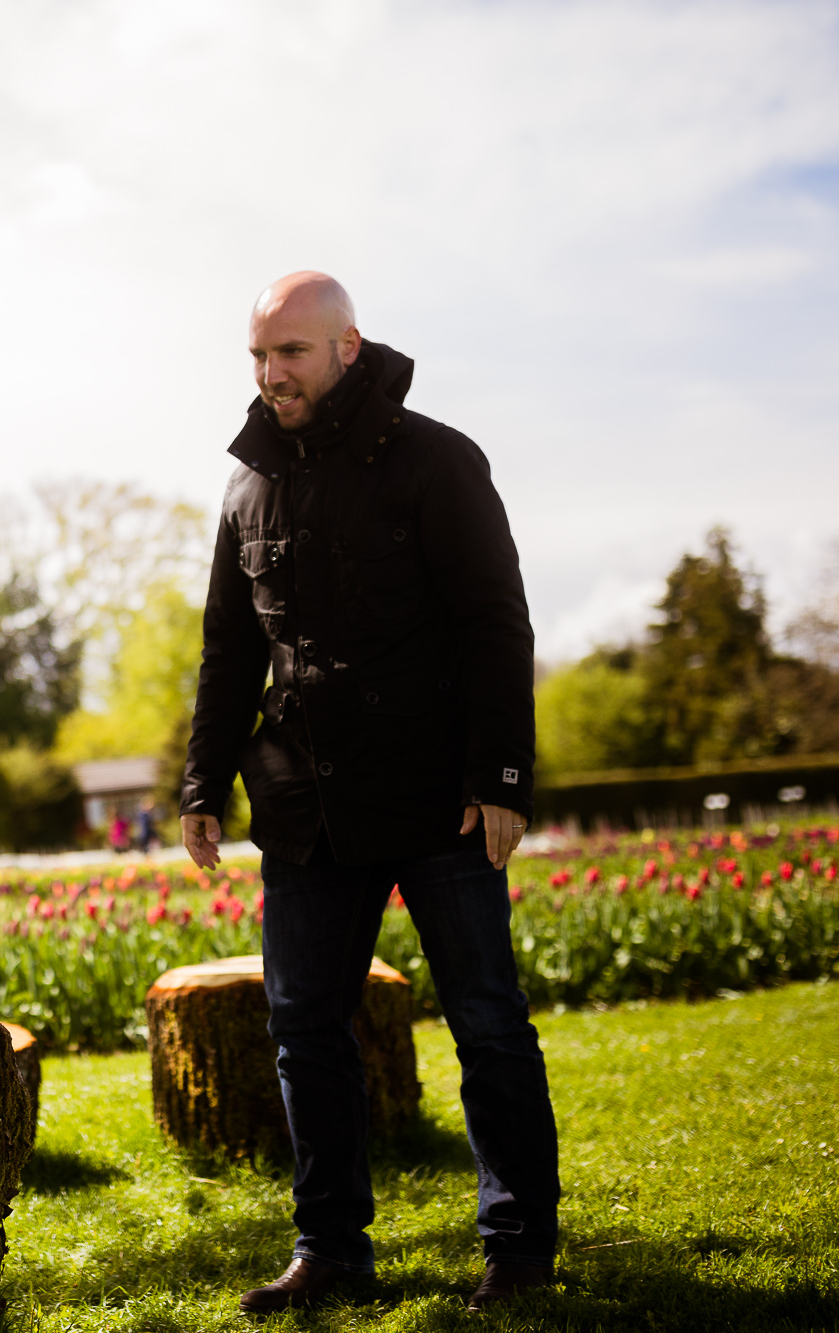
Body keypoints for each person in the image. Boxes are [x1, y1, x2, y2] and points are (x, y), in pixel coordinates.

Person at [178, 274, 559, 1316]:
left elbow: (495, 623)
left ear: (347, 344)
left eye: (289, 354)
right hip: (306, 810)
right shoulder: (247, 482)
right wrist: (201, 780)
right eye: (257, 357)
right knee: (303, 1028)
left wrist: (501, 778)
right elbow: (226, 648)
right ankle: (330, 1253)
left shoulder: (435, 457)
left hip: (441, 798)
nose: (269, 375)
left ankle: (520, 1247)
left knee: (485, 1021)